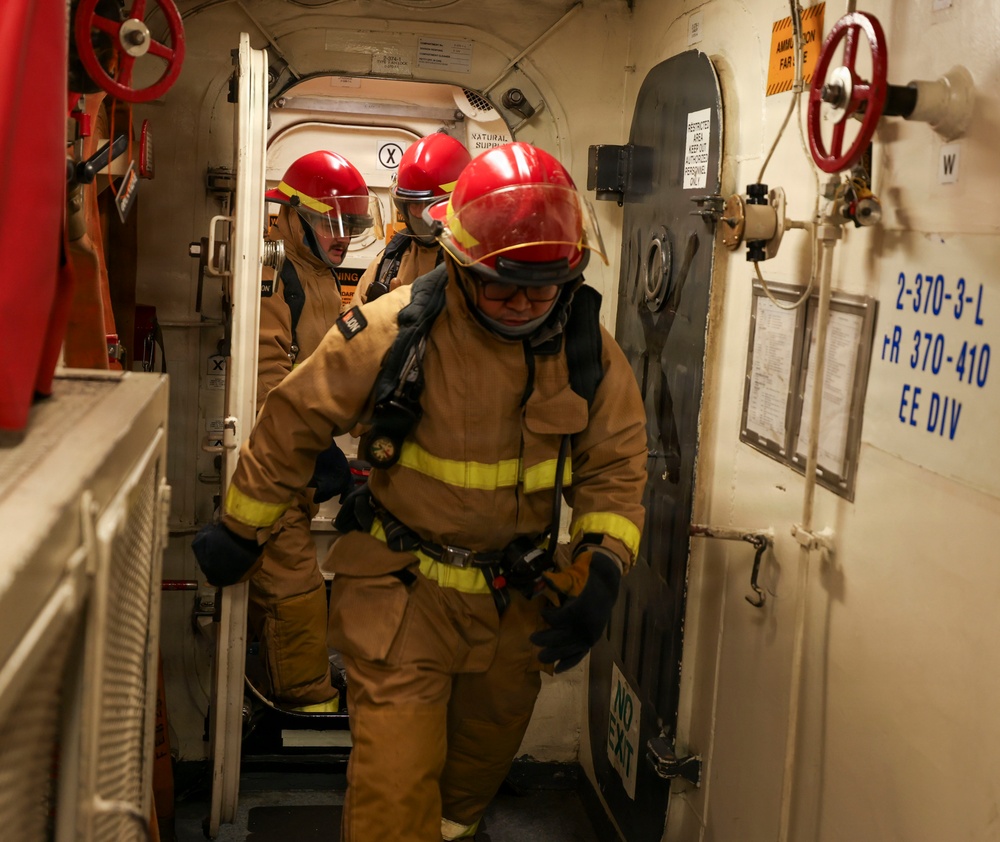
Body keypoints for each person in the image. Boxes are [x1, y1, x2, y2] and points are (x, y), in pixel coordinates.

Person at [192, 141, 648, 840]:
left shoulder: (587, 348)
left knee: (464, 796)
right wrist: (240, 527)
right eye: (503, 286)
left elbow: (614, 464)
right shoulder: (393, 330)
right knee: (395, 791)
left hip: (514, 609)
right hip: (402, 599)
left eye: (543, 288)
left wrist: (604, 565)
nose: (523, 305)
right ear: (461, 263)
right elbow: (292, 418)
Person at [247, 149, 379, 713]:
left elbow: (330, 368)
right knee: (293, 586)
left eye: (353, 224)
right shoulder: (275, 273)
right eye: (332, 223)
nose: (343, 237)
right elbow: (266, 381)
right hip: (276, 458)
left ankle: (299, 691)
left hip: (300, 451)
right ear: (295, 215)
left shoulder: (319, 274)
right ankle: (307, 708)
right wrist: (314, 448)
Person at [351, 131, 471, 305]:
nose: (418, 213)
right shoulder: (389, 260)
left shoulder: (477, 262)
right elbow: (353, 316)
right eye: (412, 204)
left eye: (428, 205)